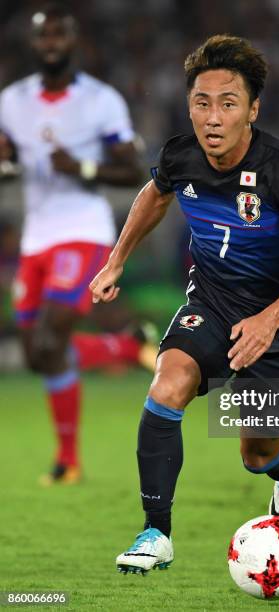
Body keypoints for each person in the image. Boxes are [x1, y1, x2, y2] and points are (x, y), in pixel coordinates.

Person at [90, 35, 279, 574]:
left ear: (253, 109)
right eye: (201, 102)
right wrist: (117, 260)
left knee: (259, 456)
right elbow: (154, 194)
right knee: (168, 381)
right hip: (211, 303)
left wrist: (270, 320)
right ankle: (155, 533)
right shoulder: (181, 154)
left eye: (228, 103)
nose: (212, 116)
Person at [0, 3, 158, 485]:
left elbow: (133, 171)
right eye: (43, 36)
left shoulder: (100, 101)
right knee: (36, 355)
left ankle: (68, 461)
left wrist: (83, 169)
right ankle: (125, 348)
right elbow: (5, 153)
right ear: (34, 43)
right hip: (36, 239)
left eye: (59, 35)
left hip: (85, 232)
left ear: (74, 41)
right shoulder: (11, 101)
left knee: (51, 339)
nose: (51, 44)